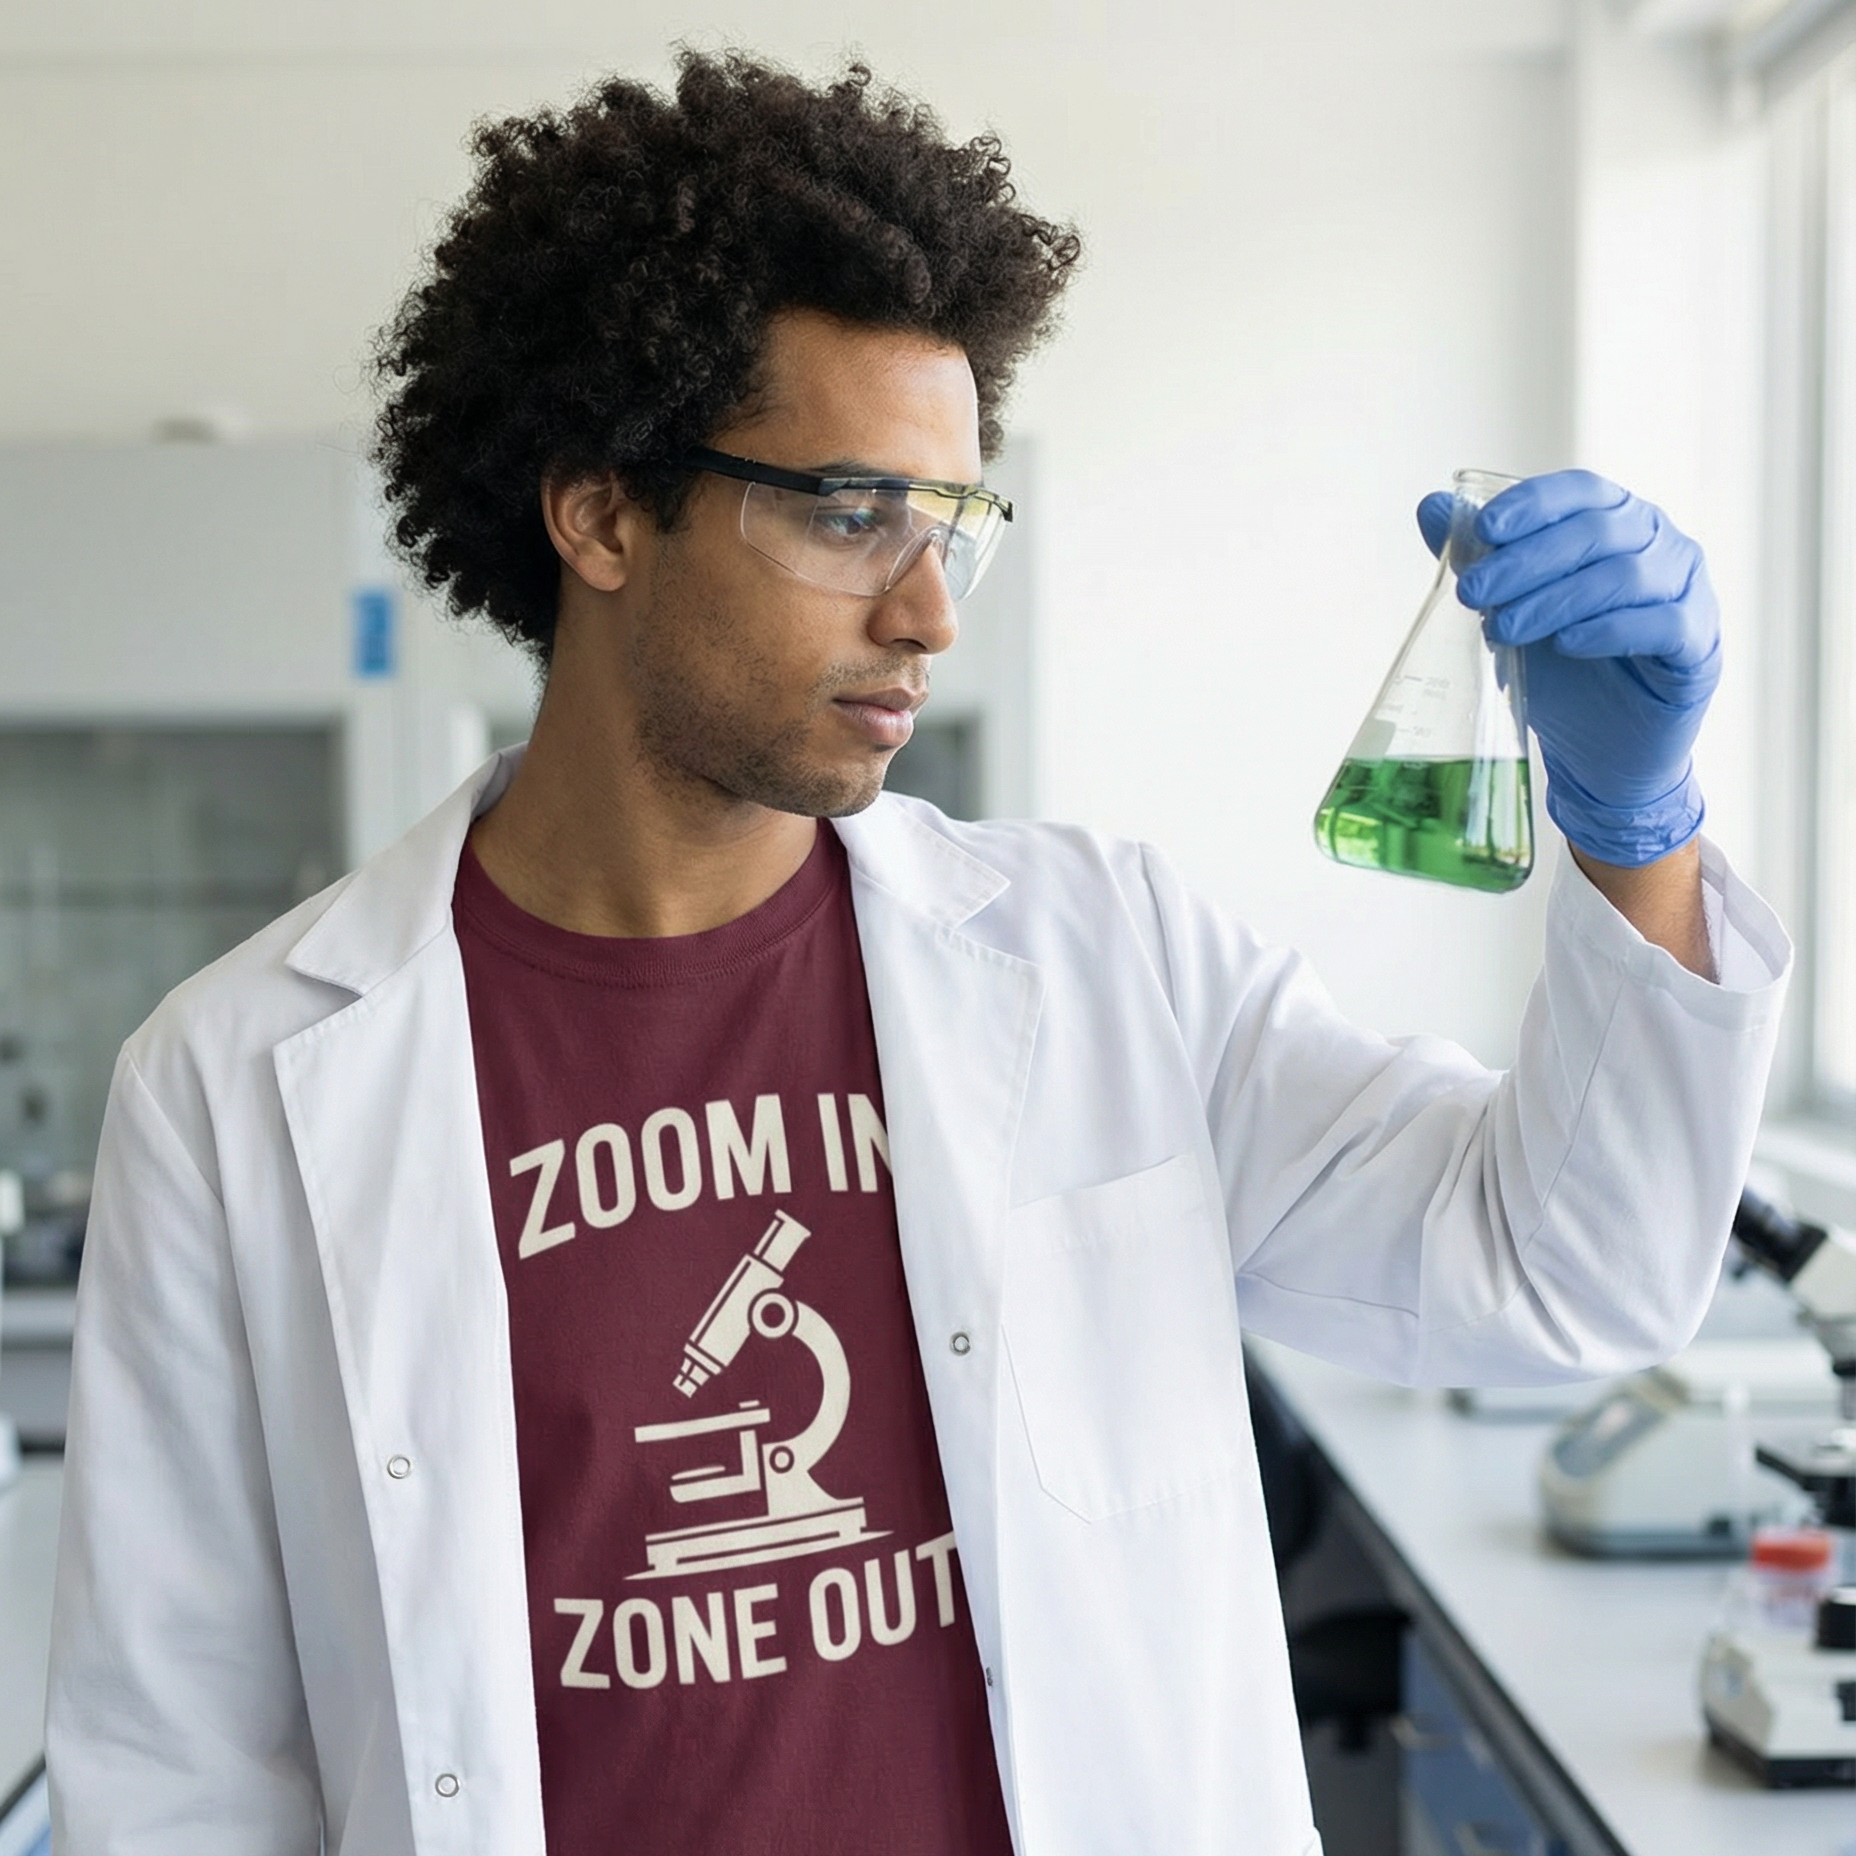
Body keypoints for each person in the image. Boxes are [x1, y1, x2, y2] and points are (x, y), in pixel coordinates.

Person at [46, 50, 1789, 1856]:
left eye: (953, 518)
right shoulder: (239, 1082)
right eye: (847, 510)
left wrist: (1634, 831)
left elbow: (1561, 1271)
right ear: (601, 512)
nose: (929, 610)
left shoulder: (1105, 959)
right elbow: (176, 1779)